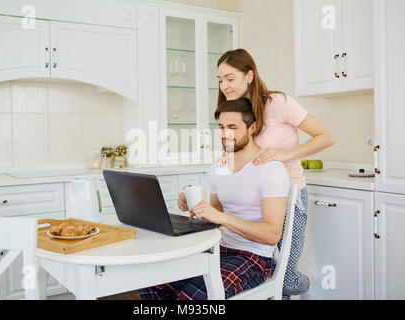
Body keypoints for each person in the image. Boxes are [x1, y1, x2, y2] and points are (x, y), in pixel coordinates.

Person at [139, 97, 290, 300]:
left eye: (232, 127)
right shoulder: (219, 168)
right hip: (217, 249)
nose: (224, 134)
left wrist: (221, 217)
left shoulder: (271, 169)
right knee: (151, 281)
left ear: (252, 127)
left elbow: (272, 234)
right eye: (220, 127)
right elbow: (214, 219)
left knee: (192, 297)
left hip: (253, 257)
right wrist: (194, 207)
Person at [215, 48, 335, 299]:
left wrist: (284, 155)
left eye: (229, 78)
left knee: (285, 280)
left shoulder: (279, 103)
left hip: (290, 195)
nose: (224, 85)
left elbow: (326, 136)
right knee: (267, 275)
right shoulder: (236, 110)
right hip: (255, 200)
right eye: (219, 80)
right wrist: (229, 155)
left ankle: (308, 284)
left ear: (249, 76)